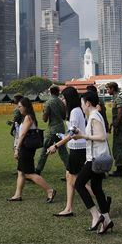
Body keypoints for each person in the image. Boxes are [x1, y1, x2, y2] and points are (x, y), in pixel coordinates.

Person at [71, 91, 114, 235]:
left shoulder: (94, 116)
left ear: (88, 103)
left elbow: (102, 136)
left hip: (95, 158)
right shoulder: (95, 115)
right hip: (97, 157)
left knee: (79, 184)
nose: (81, 106)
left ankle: (96, 215)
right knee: (96, 188)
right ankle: (107, 220)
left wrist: (83, 136)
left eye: (82, 103)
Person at [8, 97, 56, 202]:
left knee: (28, 173)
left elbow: (23, 134)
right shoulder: (28, 117)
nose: (18, 108)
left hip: (26, 148)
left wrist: (17, 148)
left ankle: (49, 190)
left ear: (25, 107)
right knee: (21, 171)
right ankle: (17, 194)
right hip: (26, 147)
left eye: (20, 106)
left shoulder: (28, 118)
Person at [47, 87, 85, 216]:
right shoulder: (76, 110)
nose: (62, 100)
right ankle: (69, 208)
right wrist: (64, 136)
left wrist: (56, 146)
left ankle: (99, 198)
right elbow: (72, 132)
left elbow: (73, 132)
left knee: (75, 179)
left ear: (69, 98)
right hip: (76, 147)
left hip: (78, 148)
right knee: (71, 177)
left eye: (64, 97)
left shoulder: (75, 111)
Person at [36, 86, 68, 174]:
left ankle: (38, 170)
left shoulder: (48, 102)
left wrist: (44, 113)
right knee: (63, 151)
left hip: (52, 129)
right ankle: (70, 169)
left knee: (45, 149)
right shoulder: (61, 102)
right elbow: (64, 116)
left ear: (50, 92)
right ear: (58, 92)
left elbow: (45, 119)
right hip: (61, 128)